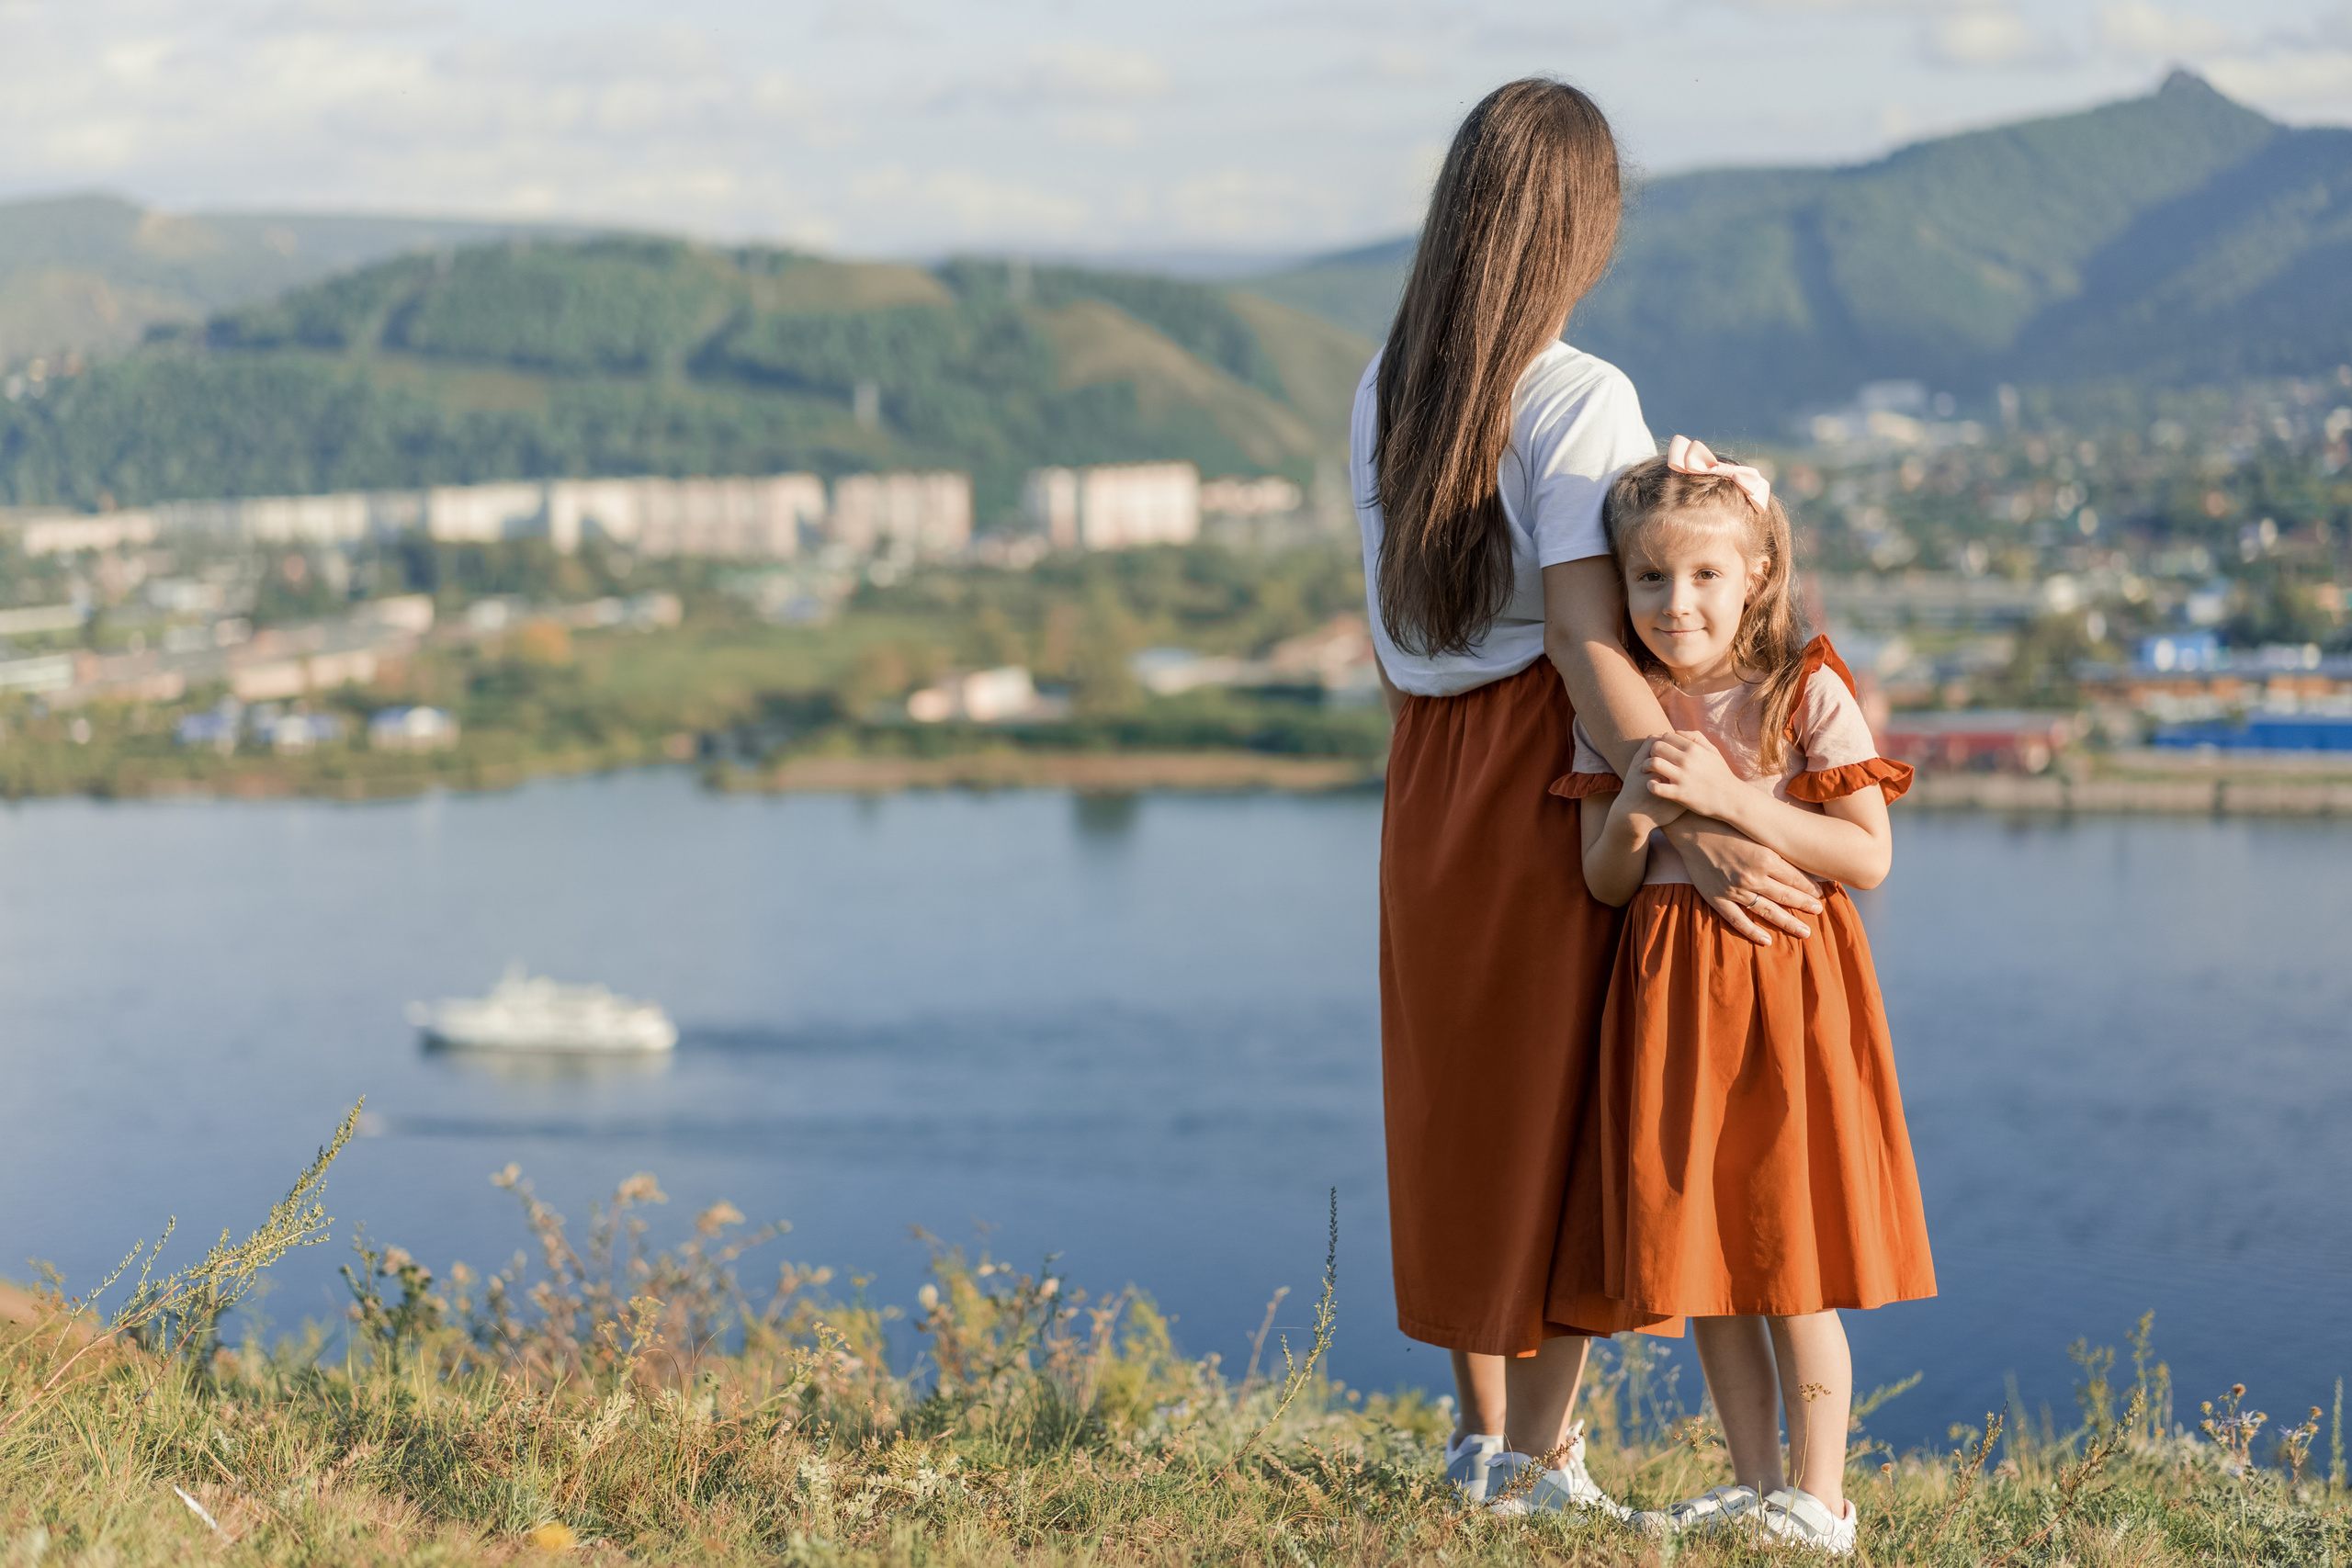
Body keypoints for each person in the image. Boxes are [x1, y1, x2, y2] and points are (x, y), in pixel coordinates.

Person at [1355, 80, 1827, 1517]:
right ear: (1586, 226)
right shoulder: (1576, 391)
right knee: (1560, 1112)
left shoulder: (1392, 381)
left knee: (1462, 1106)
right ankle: (1544, 1467)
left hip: (1424, 774)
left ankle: (1488, 1443)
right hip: (1543, 763)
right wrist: (1703, 810)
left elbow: (1410, 624)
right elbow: (1583, 637)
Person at [1554, 437, 1938, 1554]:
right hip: (1672, 1009)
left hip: (1787, 1001)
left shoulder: (1802, 689)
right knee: (1712, 1259)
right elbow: (1605, 880)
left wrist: (1727, 798)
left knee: (1791, 1260)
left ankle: (1821, 1502)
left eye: (1705, 576)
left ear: (1756, 574)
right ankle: (1756, 1481)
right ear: (1619, 585)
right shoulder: (1620, 711)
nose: (1676, 604)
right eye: (1649, 579)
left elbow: (1864, 858)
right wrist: (1638, 808)